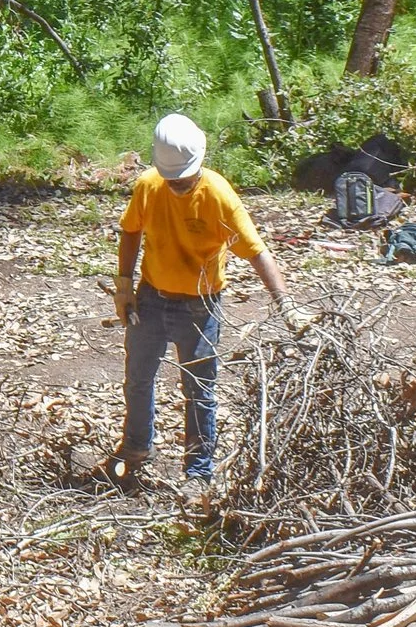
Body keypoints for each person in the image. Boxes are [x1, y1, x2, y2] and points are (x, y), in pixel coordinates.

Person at [113, 113, 305, 487]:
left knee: (198, 389)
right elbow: (130, 231)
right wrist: (124, 286)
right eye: (174, 180)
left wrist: (285, 303)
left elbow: (256, 251)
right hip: (151, 296)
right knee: (137, 379)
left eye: (185, 180)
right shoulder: (149, 186)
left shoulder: (218, 195)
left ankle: (198, 472)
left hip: (200, 306)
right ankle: (137, 446)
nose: (179, 186)